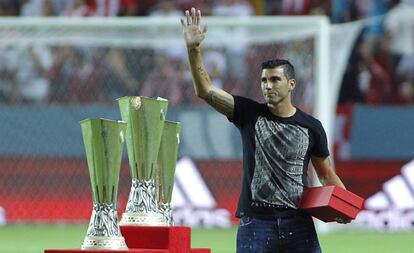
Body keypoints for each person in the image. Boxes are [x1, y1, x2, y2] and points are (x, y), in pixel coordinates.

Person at [180, 7, 350, 253]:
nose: (267, 86)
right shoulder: (248, 113)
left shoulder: (311, 126)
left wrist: (344, 205)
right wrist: (193, 50)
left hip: (298, 221)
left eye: (274, 80)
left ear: (291, 84)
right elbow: (205, 90)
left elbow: (324, 174)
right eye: (263, 80)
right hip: (256, 223)